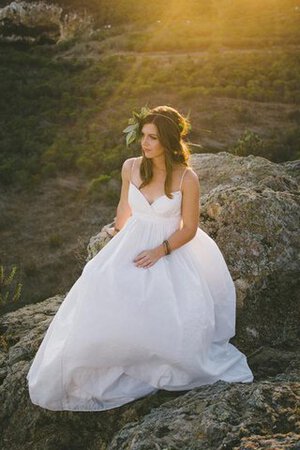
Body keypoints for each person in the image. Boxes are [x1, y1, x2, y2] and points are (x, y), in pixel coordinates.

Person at [26, 105, 253, 412]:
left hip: (170, 247)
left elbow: (190, 228)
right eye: (143, 136)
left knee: (159, 301)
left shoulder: (187, 178)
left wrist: (160, 250)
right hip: (132, 240)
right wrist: (115, 231)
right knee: (97, 276)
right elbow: (125, 209)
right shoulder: (131, 166)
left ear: (169, 141)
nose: (145, 143)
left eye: (153, 138)